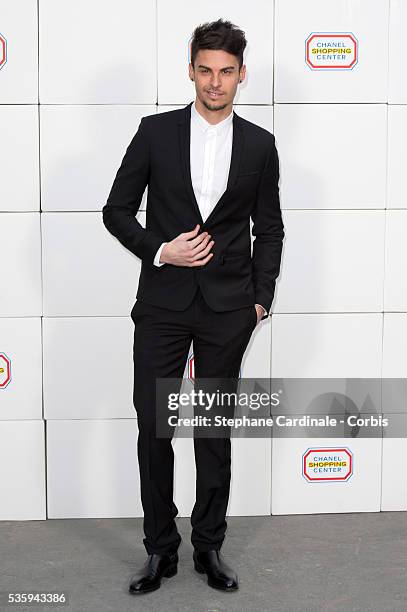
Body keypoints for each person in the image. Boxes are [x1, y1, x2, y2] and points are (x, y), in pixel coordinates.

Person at [102, 17, 284, 595]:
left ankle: (209, 546)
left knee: (212, 432)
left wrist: (260, 301)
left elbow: (270, 229)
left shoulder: (260, 144)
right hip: (162, 305)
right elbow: (116, 211)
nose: (214, 82)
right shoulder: (154, 132)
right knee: (154, 426)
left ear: (241, 75)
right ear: (190, 71)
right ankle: (161, 550)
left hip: (229, 309)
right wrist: (161, 251)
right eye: (205, 70)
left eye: (226, 72)